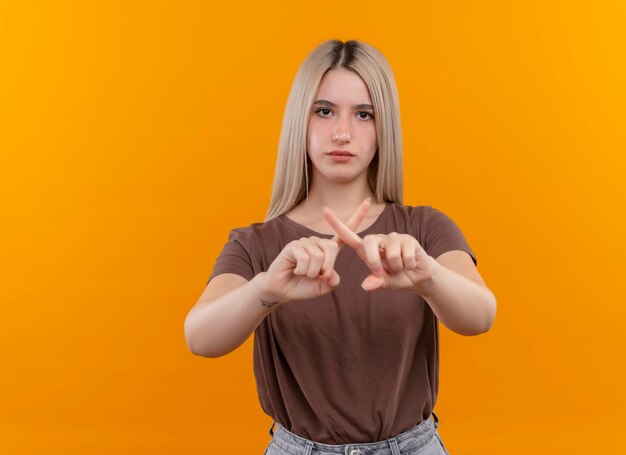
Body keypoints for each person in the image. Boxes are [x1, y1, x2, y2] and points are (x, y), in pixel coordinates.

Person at [184, 39, 496, 455]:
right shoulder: (257, 244)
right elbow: (200, 337)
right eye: (324, 110)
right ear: (301, 120)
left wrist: (428, 278)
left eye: (364, 114)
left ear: (384, 128)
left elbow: (481, 315)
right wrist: (265, 291)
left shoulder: (424, 228)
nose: (342, 132)